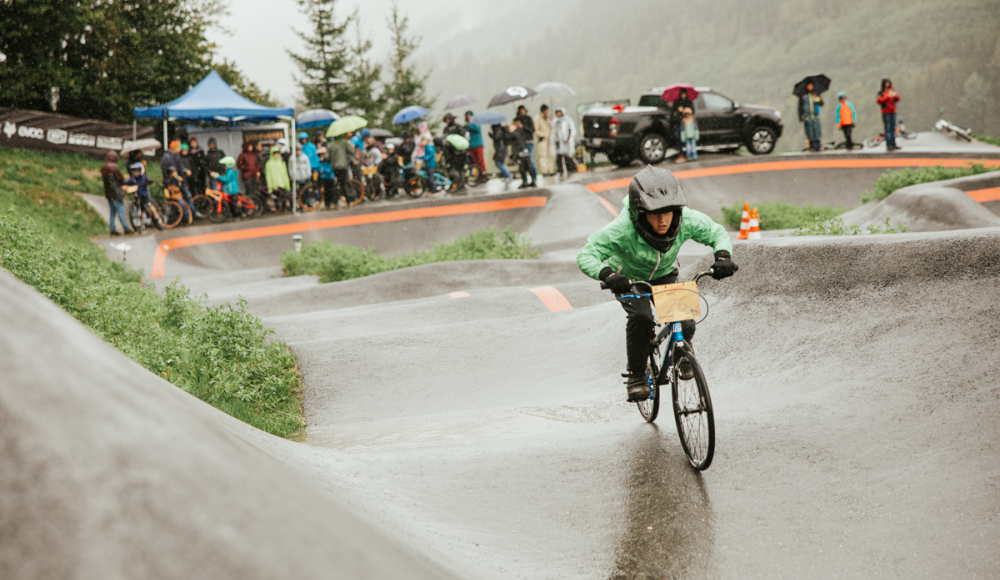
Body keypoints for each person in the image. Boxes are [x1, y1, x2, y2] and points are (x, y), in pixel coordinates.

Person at [576, 166, 738, 401]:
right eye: (654, 213)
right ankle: (637, 375)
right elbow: (586, 254)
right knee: (641, 317)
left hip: (665, 273)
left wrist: (723, 256)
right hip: (629, 279)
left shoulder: (686, 220)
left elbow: (716, 232)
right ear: (640, 212)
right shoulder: (623, 229)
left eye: (668, 211)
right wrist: (608, 275)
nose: (663, 220)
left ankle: (681, 353)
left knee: (685, 320)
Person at [160, 140, 204, 218]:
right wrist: (177, 177)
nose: (180, 149)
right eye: (179, 147)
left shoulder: (177, 156)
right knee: (176, 201)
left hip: (181, 183)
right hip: (172, 183)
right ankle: (184, 217)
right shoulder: (167, 157)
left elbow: (181, 167)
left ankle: (192, 213)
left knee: (188, 196)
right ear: (175, 148)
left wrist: (186, 170)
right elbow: (169, 170)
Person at [100, 151, 134, 236]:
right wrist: (124, 184)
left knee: (112, 213)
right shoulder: (114, 167)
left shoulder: (104, 167)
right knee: (121, 211)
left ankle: (113, 230)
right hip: (117, 193)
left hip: (109, 193)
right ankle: (126, 229)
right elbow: (120, 178)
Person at [124, 161, 164, 231]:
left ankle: (157, 217)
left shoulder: (143, 178)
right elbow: (126, 183)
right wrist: (125, 186)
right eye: (134, 171)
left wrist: (150, 181)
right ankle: (142, 224)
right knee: (141, 209)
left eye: (136, 171)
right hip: (138, 196)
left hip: (145, 195)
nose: (135, 172)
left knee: (149, 205)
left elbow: (150, 180)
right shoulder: (132, 178)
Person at [327, 133, 356, 208]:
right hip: (342, 166)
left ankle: (344, 201)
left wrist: (333, 160)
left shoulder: (330, 145)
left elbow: (326, 157)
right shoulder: (344, 143)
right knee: (342, 184)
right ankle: (337, 201)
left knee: (339, 183)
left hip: (334, 167)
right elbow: (352, 151)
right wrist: (352, 146)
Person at [514, 105, 538, 185]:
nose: (521, 111)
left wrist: (523, 126)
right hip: (520, 144)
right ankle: (524, 181)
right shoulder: (516, 120)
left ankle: (534, 179)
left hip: (529, 142)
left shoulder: (528, 118)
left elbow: (532, 130)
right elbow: (512, 132)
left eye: (523, 110)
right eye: (520, 110)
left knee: (531, 160)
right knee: (521, 163)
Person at [265, 144, 292, 211]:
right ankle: (277, 208)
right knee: (276, 198)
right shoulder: (268, 164)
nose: (276, 154)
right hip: (274, 184)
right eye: (274, 153)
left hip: (282, 183)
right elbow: (268, 176)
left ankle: (284, 208)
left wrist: (287, 184)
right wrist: (270, 186)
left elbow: (285, 174)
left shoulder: (282, 162)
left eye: (277, 153)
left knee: (283, 196)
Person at [877, 78, 901, 151]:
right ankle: (889, 144)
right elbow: (879, 100)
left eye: (888, 83)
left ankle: (893, 144)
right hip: (886, 112)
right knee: (888, 129)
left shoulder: (892, 90)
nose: (887, 84)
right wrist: (888, 97)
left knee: (893, 128)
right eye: (886, 83)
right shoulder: (881, 92)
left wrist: (894, 96)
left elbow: (898, 99)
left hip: (892, 111)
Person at [798, 82, 823, 152]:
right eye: (808, 85)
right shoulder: (803, 95)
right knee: (809, 132)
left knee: (817, 130)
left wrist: (818, 100)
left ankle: (818, 145)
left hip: (815, 116)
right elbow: (800, 107)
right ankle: (812, 146)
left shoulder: (816, 94)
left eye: (811, 85)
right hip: (807, 116)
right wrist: (801, 117)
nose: (810, 87)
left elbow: (822, 103)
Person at [671, 89, 696, 160]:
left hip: (688, 123)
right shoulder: (677, 102)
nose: (683, 95)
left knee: (689, 139)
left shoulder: (689, 102)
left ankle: (690, 154)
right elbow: (672, 112)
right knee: (680, 138)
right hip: (679, 123)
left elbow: (692, 111)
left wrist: (684, 110)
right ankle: (681, 153)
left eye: (684, 94)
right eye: (682, 94)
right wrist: (678, 110)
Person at [509, 120, 534, 189]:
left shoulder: (515, 133)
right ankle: (533, 180)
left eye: (511, 127)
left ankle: (525, 182)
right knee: (528, 167)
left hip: (520, 152)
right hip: (524, 151)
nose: (509, 128)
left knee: (522, 168)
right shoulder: (521, 132)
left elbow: (509, 139)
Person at [552, 108, 577, 177]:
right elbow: (553, 131)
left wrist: (569, 138)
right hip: (558, 142)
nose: (558, 114)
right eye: (557, 113)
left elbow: (571, 129)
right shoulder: (555, 121)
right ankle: (560, 171)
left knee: (567, 156)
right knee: (559, 157)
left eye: (560, 112)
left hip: (566, 141)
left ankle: (569, 170)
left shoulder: (567, 120)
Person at [464, 111, 487, 183]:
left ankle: (484, 175)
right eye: (467, 116)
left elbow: (477, 129)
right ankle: (478, 176)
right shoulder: (467, 124)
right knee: (475, 162)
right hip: (471, 146)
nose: (468, 117)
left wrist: (468, 125)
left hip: (478, 144)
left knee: (480, 160)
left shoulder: (476, 122)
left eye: (469, 116)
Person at [534, 105, 555, 176]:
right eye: (546, 111)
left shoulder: (548, 118)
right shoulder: (537, 118)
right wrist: (543, 135)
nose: (547, 112)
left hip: (550, 139)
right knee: (543, 156)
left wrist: (551, 120)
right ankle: (544, 171)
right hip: (542, 139)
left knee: (550, 155)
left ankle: (551, 170)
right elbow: (536, 130)